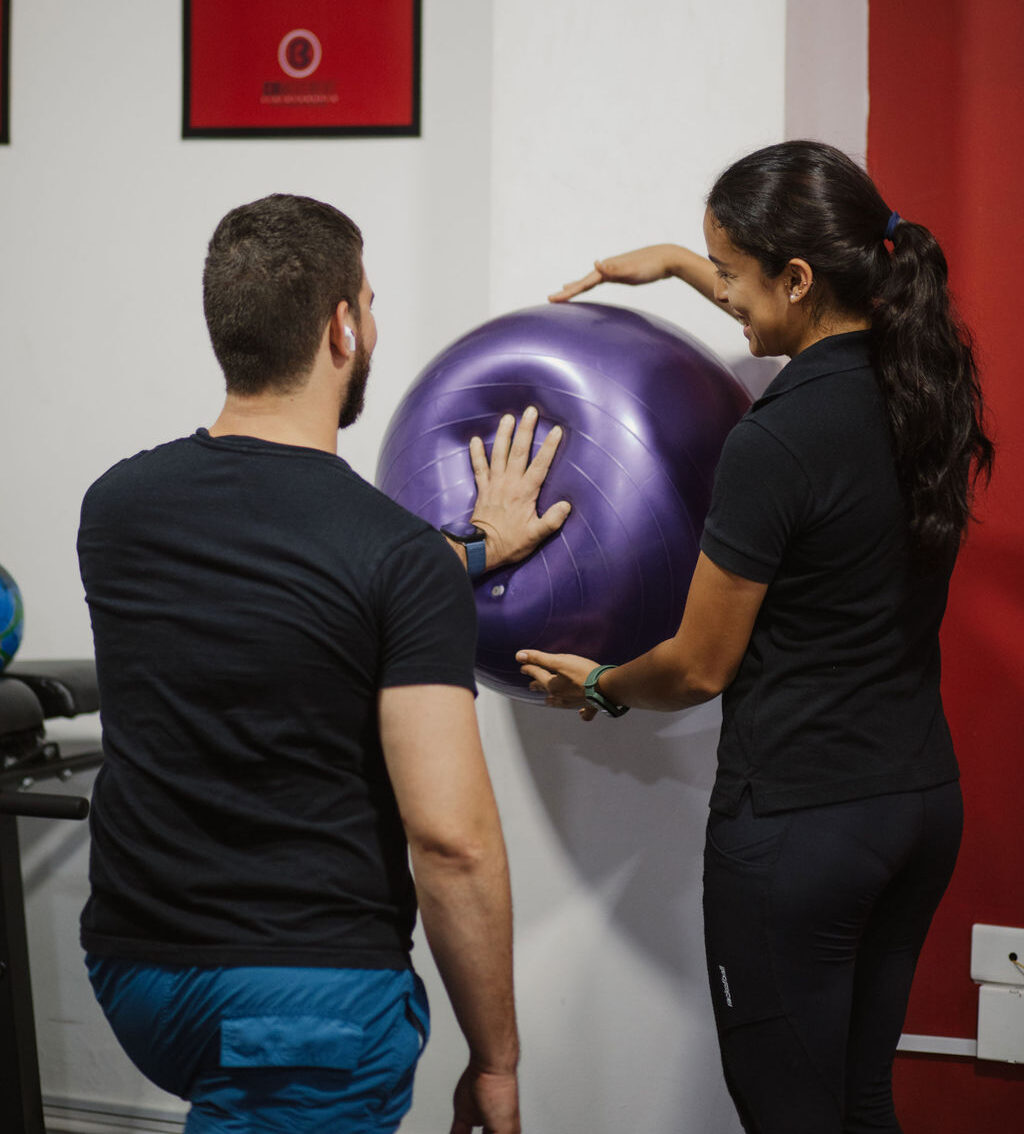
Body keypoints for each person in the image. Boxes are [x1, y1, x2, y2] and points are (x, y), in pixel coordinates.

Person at [520, 140, 993, 1134]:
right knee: (860, 1100)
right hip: (913, 809)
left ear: (797, 276)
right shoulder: (926, 380)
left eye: (732, 275)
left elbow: (696, 666)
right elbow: (809, 323)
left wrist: (599, 684)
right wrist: (690, 270)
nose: (725, 294)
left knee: (787, 1112)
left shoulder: (772, 442)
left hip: (800, 829)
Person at [77, 193, 569, 1134]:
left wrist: (461, 550)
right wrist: (497, 1058)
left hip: (133, 974)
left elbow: (274, 582)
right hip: (306, 1001)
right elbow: (452, 845)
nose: (372, 324)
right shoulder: (393, 559)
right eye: (370, 303)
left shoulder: (117, 510)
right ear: (342, 328)